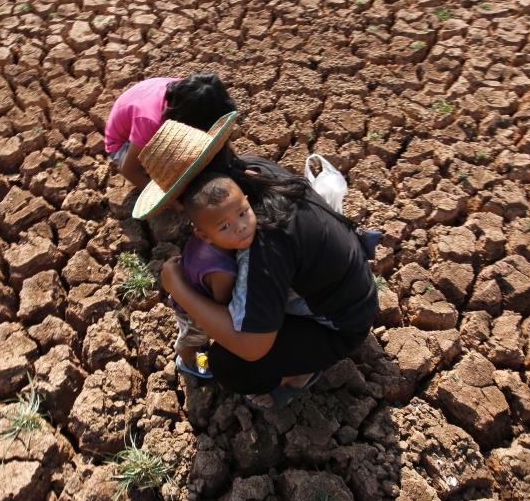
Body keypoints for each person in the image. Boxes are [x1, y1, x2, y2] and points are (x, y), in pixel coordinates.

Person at [132, 112, 378, 410]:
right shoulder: (249, 172)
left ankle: (297, 374)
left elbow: (251, 347)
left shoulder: (259, 242)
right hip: (347, 284)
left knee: (231, 365)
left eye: (170, 199)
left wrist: (179, 288)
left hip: (340, 322)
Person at [169, 173, 256, 378]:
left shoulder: (208, 238)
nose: (240, 227)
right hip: (193, 311)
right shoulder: (222, 271)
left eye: (243, 213)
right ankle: (190, 361)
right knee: (192, 340)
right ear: (204, 236)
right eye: (225, 226)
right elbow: (223, 309)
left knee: (192, 336)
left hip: (186, 290)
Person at [104, 73, 237, 189]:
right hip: (121, 146)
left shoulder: (191, 91)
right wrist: (173, 204)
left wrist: (233, 161)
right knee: (185, 169)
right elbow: (128, 170)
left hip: (139, 121)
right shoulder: (152, 122)